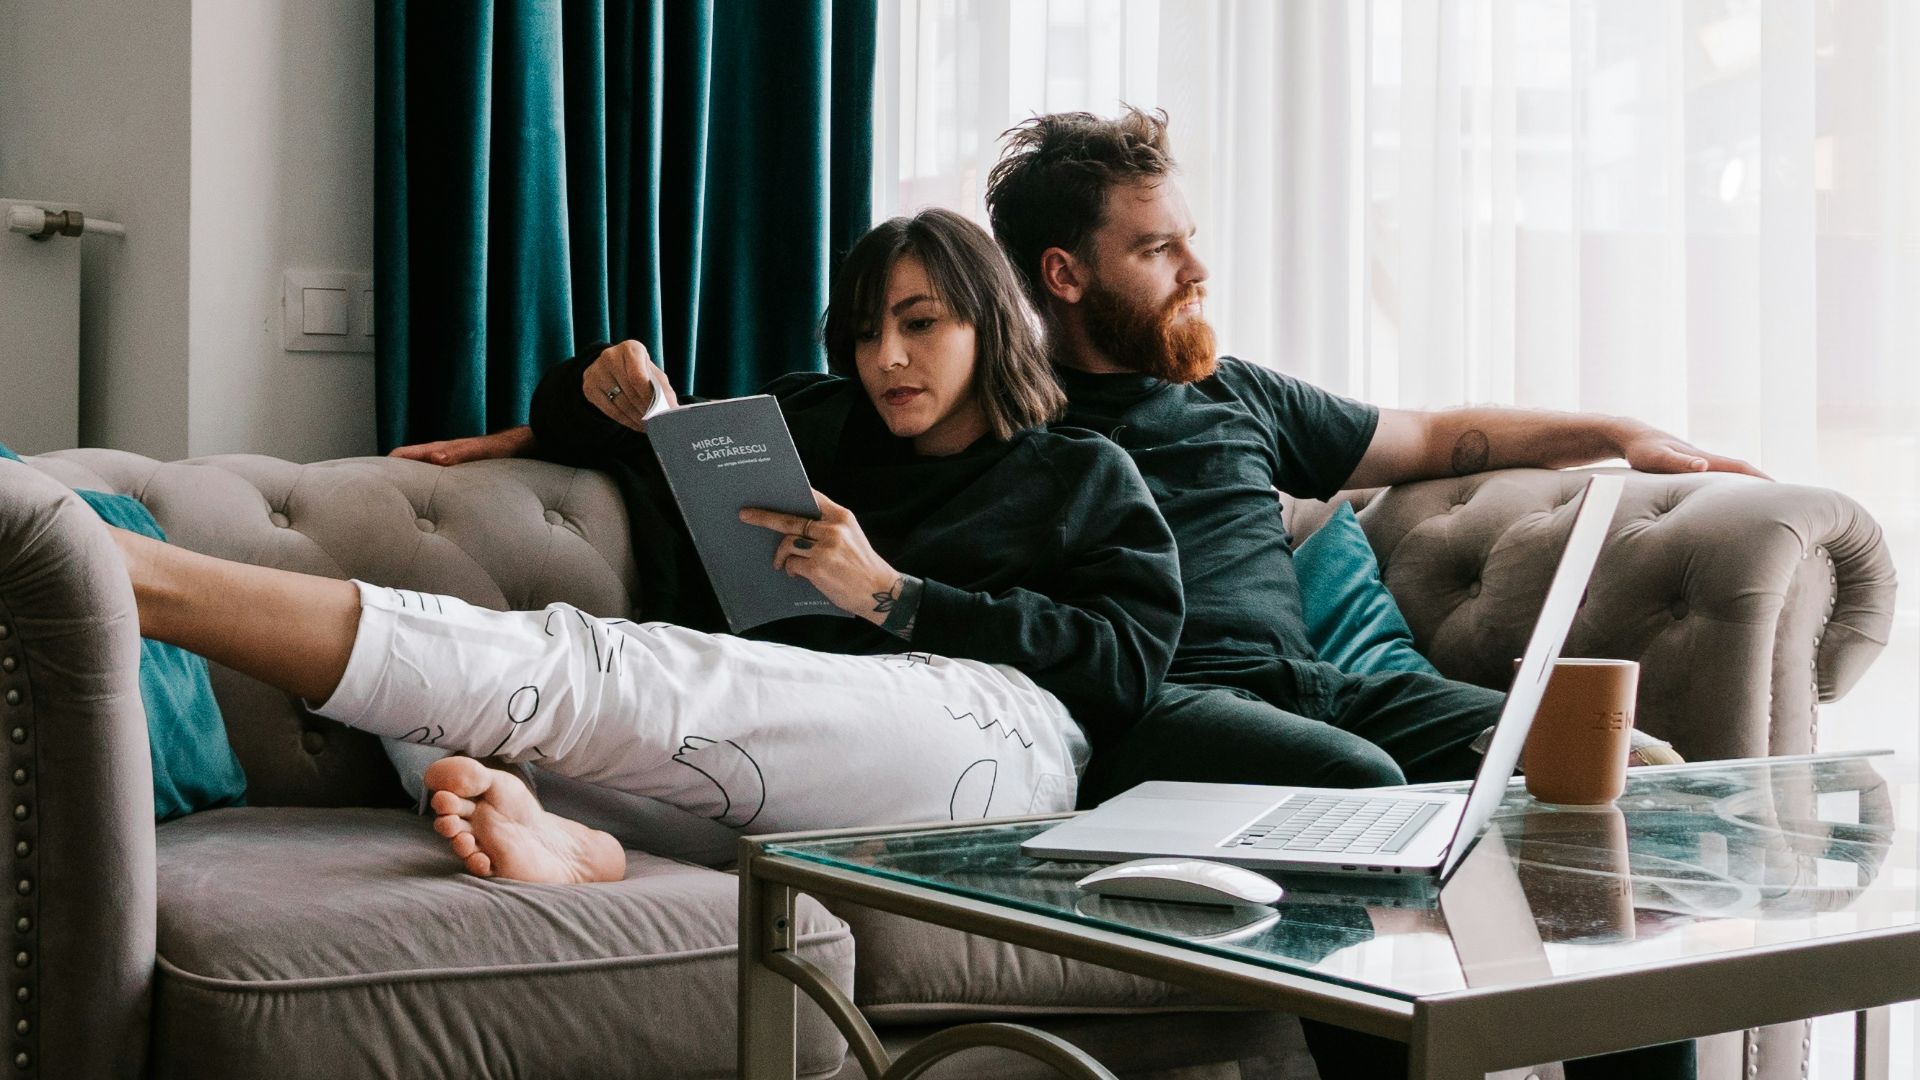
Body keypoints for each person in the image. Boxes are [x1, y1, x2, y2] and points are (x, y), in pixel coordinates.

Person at [978, 106, 1747, 1080]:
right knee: (1356, 789)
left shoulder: (1237, 394)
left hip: (1321, 687)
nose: (1195, 271)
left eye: (1190, 242)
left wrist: (1620, 432)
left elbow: (1436, 438)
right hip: (1159, 710)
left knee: (1598, 774)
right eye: (1158, 248)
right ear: (1065, 273)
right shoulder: (1006, 427)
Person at [114, 207, 1182, 884]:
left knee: (607, 674)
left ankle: (136, 575)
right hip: (789, 759)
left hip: (995, 742)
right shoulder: (820, 422)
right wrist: (592, 388)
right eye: (864, 331)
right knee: (457, 730)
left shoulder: (1082, 473)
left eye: (920, 322)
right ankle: (583, 841)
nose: (886, 356)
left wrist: (895, 596)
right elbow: (640, 436)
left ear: (991, 322)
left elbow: (1128, 664)